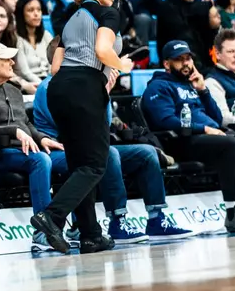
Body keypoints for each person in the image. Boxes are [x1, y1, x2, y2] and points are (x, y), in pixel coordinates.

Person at [30, 0, 134, 254]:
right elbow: (102, 51)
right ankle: (52, 216)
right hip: (84, 88)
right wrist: (122, 65)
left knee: (80, 165)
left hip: (58, 89)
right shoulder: (108, 13)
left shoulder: (71, 18)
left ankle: (90, 235)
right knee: (95, 164)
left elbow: (55, 67)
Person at [32, 70, 193, 250]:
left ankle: (156, 219)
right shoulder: (50, 87)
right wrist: (97, 97)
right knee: (109, 154)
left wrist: (103, 93)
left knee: (146, 153)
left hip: (90, 145)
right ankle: (117, 221)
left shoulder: (88, 84)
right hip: (59, 148)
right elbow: (75, 126)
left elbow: (104, 124)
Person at [141, 40, 235, 231]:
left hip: (216, 136)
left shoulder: (192, 85)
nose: (186, 63)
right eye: (179, 60)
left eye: (188, 58)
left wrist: (203, 91)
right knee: (228, 144)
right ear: (166, 64)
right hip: (183, 142)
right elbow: (166, 121)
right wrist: (204, 129)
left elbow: (217, 118)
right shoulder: (158, 87)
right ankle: (232, 214)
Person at [0, 40, 60, 213]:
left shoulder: (13, 90)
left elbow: (25, 122)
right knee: (40, 160)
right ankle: (44, 222)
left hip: (29, 150)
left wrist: (42, 138)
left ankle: (80, 223)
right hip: (0, 154)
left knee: (76, 159)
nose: (12, 62)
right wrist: (13, 130)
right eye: (6, 59)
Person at [14, 0, 51, 86]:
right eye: (31, 10)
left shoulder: (46, 35)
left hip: (48, 81)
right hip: (29, 85)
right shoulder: (17, 38)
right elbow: (25, 72)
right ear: (21, 14)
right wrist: (44, 85)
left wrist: (51, 81)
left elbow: (54, 63)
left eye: (39, 10)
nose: (36, 14)